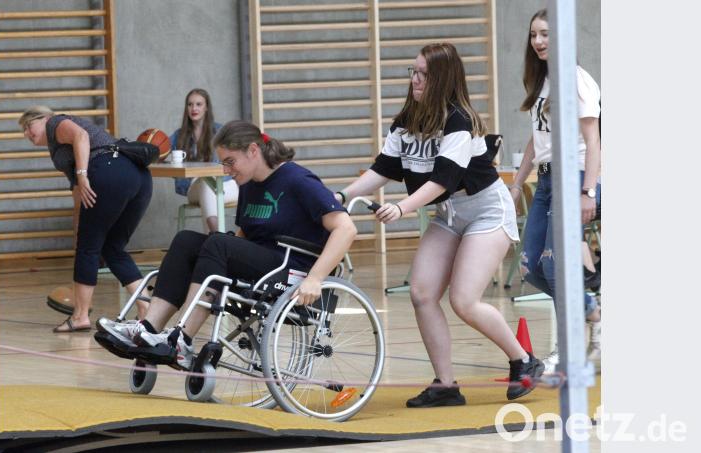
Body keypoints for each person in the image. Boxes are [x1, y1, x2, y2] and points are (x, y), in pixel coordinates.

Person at [335, 43, 542, 408]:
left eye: (423, 74)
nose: (414, 79)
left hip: (486, 212)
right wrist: (341, 196)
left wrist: (401, 209)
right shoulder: (405, 122)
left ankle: (523, 360)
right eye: (412, 72)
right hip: (449, 215)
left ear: (441, 78)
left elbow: (443, 180)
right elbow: (383, 168)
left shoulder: (458, 121)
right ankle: (445, 385)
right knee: (422, 293)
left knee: (464, 300)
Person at [96, 120, 357, 369]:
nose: (226, 170)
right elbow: (245, 234)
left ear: (253, 151)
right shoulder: (249, 185)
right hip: (264, 263)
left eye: (231, 162)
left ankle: (182, 341)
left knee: (219, 243)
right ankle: (148, 330)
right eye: (224, 163)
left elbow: (346, 229)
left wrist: (315, 278)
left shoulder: (298, 180)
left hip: (292, 269)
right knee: (187, 240)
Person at [508, 8, 602, 373]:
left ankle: (569, 350)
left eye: (545, 34)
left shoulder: (576, 81)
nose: (538, 41)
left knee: (555, 266)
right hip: (546, 180)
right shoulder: (542, 82)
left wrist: (587, 192)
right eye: (534, 35)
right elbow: (537, 140)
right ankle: (591, 308)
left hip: (575, 176)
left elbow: (593, 142)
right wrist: (517, 182)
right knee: (532, 266)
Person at [19, 106, 153, 333]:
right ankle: (147, 311)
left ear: (45, 118)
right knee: (112, 248)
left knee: (89, 248)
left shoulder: (56, 123)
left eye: (28, 124)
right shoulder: (60, 150)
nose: (26, 133)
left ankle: (80, 316)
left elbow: (81, 136)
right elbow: (78, 196)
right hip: (138, 177)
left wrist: (83, 176)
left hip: (110, 170)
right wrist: (78, 233)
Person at [170, 89, 238, 232]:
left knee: (209, 187)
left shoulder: (221, 131)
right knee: (205, 184)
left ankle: (215, 239)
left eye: (199, 104)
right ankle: (218, 236)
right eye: (190, 104)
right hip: (195, 187)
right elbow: (161, 154)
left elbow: (234, 159)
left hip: (226, 184)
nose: (194, 108)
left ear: (206, 107)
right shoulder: (179, 135)